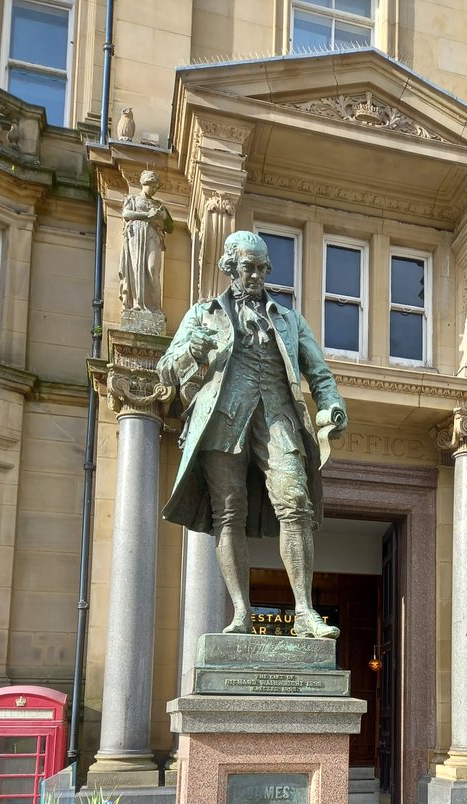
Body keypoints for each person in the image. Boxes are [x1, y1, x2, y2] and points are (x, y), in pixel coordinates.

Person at [157, 230, 348, 639]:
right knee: (229, 512)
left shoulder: (289, 319)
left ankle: (303, 612)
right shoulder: (203, 313)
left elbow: (319, 372)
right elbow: (166, 368)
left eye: (263, 268)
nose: (257, 276)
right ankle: (241, 612)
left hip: (278, 416)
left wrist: (332, 404)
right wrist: (192, 347)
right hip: (223, 420)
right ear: (230, 267)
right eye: (248, 267)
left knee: (295, 501)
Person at [119, 170, 173, 314]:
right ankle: (138, 303)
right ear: (145, 183)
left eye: (157, 187)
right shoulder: (133, 199)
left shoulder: (158, 204)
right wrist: (148, 215)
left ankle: (155, 307)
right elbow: (126, 214)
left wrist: (164, 217)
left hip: (152, 235)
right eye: (153, 186)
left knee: (152, 268)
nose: (155, 190)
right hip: (136, 235)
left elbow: (170, 227)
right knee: (137, 268)